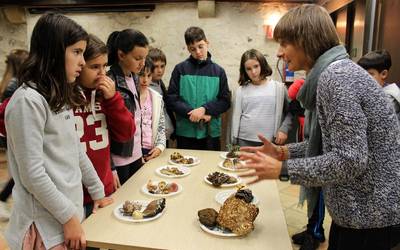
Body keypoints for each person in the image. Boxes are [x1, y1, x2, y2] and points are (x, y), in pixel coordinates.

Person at [239, 4, 400, 250]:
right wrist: (286, 152)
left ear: (305, 41)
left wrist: (284, 168)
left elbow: (351, 159)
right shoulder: (336, 73)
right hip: (363, 216)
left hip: (370, 219)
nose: (280, 53)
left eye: (284, 43)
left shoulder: (335, 79)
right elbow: (331, 144)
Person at [4, 13, 111, 249]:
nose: (82, 62)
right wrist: (68, 217)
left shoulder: (57, 97)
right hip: (45, 227)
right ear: (53, 53)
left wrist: (98, 192)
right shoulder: (27, 101)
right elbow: (33, 175)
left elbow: (76, 151)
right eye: (76, 52)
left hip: (66, 219)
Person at [75, 34, 135, 217]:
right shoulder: (63, 98)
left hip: (103, 188)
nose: (102, 73)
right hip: (74, 194)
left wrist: (113, 100)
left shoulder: (105, 95)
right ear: (78, 66)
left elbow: (126, 134)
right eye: (94, 67)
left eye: (105, 66)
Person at [166, 26, 231, 150]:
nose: (198, 52)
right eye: (193, 49)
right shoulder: (180, 69)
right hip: (186, 132)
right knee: (185, 166)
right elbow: (171, 99)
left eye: (200, 46)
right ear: (188, 49)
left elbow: (225, 101)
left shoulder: (219, 71)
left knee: (210, 167)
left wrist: (204, 109)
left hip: (210, 131)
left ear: (207, 43)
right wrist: (193, 113)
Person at [106, 29, 149, 185]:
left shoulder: (134, 77)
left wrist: (140, 151)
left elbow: (136, 117)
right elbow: (105, 129)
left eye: (144, 58)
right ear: (121, 55)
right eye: (138, 58)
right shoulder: (110, 81)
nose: (142, 63)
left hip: (136, 152)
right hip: (120, 158)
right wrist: (110, 167)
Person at [231, 49, 292, 147]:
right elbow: (233, 120)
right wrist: (233, 142)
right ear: (244, 71)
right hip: (243, 141)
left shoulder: (279, 88)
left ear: (262, 64)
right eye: (248, 69)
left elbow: (291, 111)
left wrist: (284, 129)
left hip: (271, 141)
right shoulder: (240, 91)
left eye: (256, 66)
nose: (253, 72)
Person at [0, 49, 28, 221]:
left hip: (11, 135)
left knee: (17, 174)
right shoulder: (13, 85)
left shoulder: (10, 82)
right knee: (19, 174)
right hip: (12, 135)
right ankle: (3, 199)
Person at [357, 50, 400, 121]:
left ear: (383, 74)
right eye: (361, 74)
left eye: (369, 74)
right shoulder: (373, 91)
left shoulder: (390, 97)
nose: (364, 78)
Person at [138, 57, 166, 161]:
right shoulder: (129, 97)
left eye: (149, 76)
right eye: (141, 75)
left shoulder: (156, 98)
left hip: (151, 149)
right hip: (134, 152)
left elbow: (161, 127)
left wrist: (160, 147)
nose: (145, 80)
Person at [147, 47, 175, 142]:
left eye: (162, 66)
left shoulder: (160, 83)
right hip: (153, 139)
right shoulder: (146, 88)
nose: (160, 70)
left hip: (164, 137)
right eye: (156, 67)